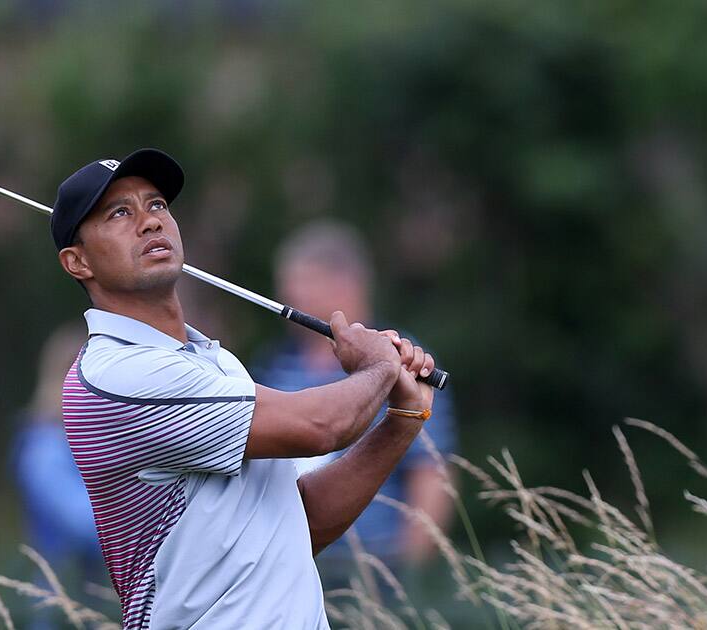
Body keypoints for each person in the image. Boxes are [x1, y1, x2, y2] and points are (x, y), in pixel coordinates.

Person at [51, 149, 437, 629]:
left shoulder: (215, 361)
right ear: (77, 262)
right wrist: (379, 366)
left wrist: (402, 422)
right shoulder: (119, 373)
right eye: (120, 213)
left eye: (157, 206)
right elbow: (321, 427)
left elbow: (297, 527)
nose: (150, 223)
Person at [251, 221, 457, 580]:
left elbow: (431, 474)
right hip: (287, 563)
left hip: (375, 570)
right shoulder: (274, 362)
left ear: (346, 284)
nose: (289, 293)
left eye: (304, 281)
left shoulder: (404, 360)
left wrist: (406, 574)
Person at [10, 323, 106, 626]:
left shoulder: (92, 439)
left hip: (96, 596)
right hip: (63, 600)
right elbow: (85, 526)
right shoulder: (44, 449)